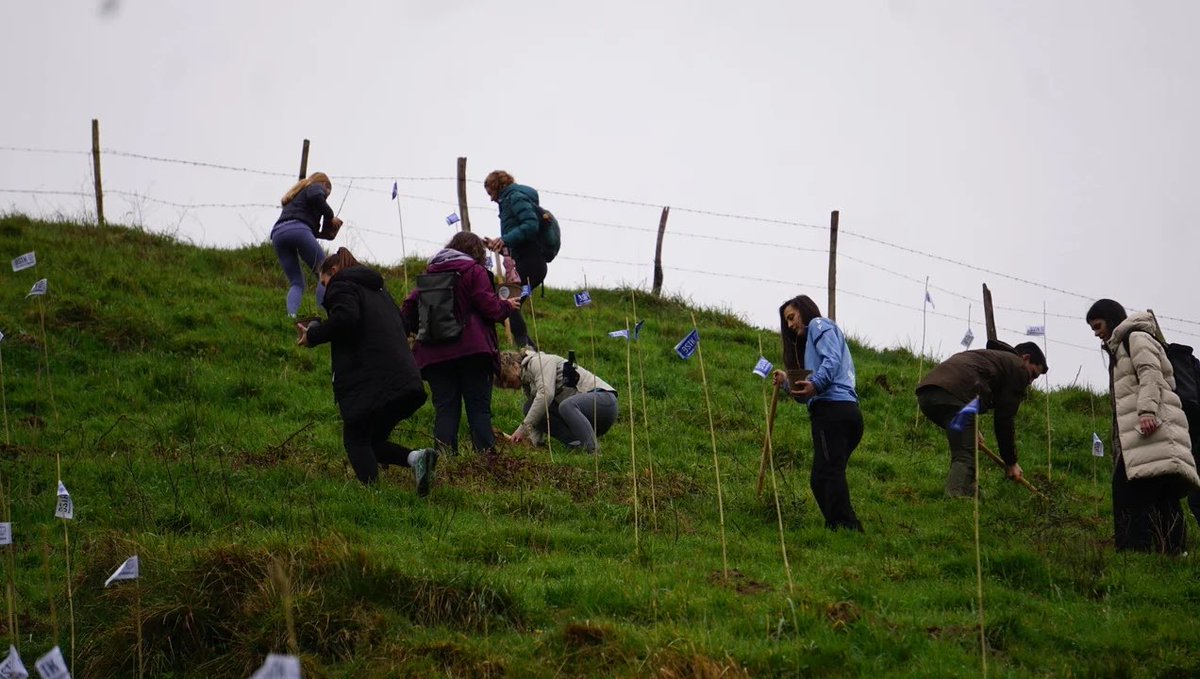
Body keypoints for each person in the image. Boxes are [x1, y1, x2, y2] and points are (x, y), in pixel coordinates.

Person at [296, 247, 437, 494]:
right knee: (371, 441)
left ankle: (373, 497)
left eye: (323, 282)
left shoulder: (341, 285)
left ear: (334, 270)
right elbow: (404, 326)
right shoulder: (379, 290)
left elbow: (347, 318)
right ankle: (417, 459)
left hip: (374, 383)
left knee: (355, 439)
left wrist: (315, 333)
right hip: (405, 381)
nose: (324, 289)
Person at [1086, 299, 1200, 553]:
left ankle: (1136, 552)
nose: (1096, 333)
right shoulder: (1124, 345)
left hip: (1151, 426)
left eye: (1098, 325)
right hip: (1145, 430)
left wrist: (1147, 411)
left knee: (1133, 491)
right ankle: (1170, 552)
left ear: (1111, 319)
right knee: (1161, 494)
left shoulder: (1136, 338)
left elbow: (1150, 372)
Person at [401, 232, 521, 457]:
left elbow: (408, 308)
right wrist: (506, 306)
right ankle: (486, 462)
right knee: (478, 409)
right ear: (476, 252)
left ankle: (444, 462)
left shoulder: (430, 273)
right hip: (472, 352)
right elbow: (490, 308)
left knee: (445, 410)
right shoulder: (474, 271)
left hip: (434, 356)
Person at [770, 294, 865, 532]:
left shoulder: (819, 325)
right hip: (842, 412)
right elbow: (806, 394)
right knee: (823, 475)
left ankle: (846, 527)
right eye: (787, 322)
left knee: (826, 474)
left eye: (792, 317)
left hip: (832, 411)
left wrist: (817, 383)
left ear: (804, 309)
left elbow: (830, 362)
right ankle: (841, 526)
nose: (790, 325)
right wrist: (786, 383)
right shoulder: (812, 343)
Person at [916, 341, 1047, 497]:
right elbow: (1004, 419)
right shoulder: (1018, 367)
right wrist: (1011, 462)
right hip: (954, 396)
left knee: (968, 445)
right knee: (964, 455)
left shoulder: (994, 358)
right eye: (1033, 374)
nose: (1030, 381)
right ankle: (954, 497)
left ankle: (971, 492)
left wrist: (973, 429)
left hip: (929, 395)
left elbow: (972, 381)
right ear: (1025, 358)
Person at [496, 349, 617, 454]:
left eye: (505, 378)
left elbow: (546, 395)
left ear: (514, 365)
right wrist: (534, 443)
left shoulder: (539, 361)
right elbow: (538, 414)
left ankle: (593, 452)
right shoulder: (528, 383)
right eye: (502, 384)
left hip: (604, 402)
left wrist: (521, 431)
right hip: (583, 420)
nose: (506, 385)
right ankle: (577, 445)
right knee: (529, 407)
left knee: (566, 405)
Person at [483, 170, 550, 349]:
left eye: (490, 193)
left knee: (507, 304)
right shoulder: (508, 201)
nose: (490, 199)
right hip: (526, 261)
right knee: (508, 305)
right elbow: (518, 237)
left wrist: (504, 239)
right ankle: (528, 350)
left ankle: (527, 352)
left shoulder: (515, 198)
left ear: (498, 186)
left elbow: (530, 225)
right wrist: (497, 244)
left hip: (531, 262)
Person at [271, 172, 344, 318]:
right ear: (325, 185)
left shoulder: (296, 195)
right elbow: (316, 197)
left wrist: (326, 234)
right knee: (325, 272)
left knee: (296, 282)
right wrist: (331, 216)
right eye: (327, 193)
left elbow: (307, 226)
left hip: (279, 234)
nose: (325, 197)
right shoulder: (316, 187)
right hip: (299, 230)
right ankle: (323, 313)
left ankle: (291, 316)